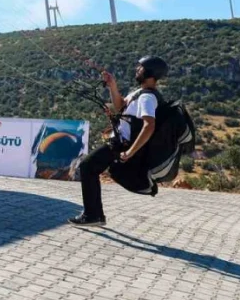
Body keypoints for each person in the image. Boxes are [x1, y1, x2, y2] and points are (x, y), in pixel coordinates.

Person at [70, 56, 167, 227]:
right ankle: (94, 214)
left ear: (150, 72)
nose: (137, 70)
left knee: (87, 166)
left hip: (122, 144)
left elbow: (149, 125)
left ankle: (93, 215)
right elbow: (120, 105)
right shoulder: (139, 93)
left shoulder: (148, 98)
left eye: (141, 68)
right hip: (119, 142)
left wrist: (130, 152)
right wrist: (112, 86)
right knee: (90, 167)